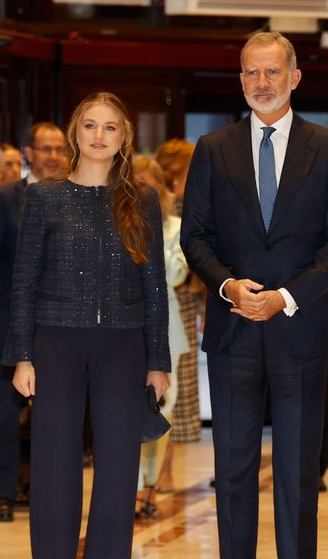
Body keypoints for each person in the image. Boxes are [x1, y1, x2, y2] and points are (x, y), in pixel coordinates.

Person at [180, 31, 328, 559]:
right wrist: (230, 289)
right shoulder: (213, 147)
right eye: (251, 72)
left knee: (298, 474)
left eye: (272, 71)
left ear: (294, 77)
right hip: (233, 335)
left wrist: (284, 297)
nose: (262, 82)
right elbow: (194, 237)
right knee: (231, 471)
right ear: (241, 80)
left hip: (299, 331)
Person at [6, 92, 170, 559]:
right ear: (77, 132)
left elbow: (154, 288)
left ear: (125, 138)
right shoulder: (45, 197)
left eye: (111, 128)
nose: (100, 136)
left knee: (118, 479)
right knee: (54, 476)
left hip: (123, 348)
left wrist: (157, 359)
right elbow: (23, 281)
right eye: (91, 126)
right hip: (55, 344)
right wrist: (22, 354)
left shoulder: (141, 199)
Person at [0, 121, 66, 522]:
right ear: (28, 153)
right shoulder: (2, 200)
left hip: (59, 324)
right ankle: (1, 493)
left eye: (58, 149)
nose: (52, 156)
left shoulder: (75, 195)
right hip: (8, 323)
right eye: (45, 148)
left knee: (55, 414)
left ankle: (41, 491)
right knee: (4, 414)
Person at [131, 155, 189, 514]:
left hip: (169, 331)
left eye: (147, 183)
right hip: (124, 330)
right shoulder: (114, 223)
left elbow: (176, 274)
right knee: (124, 409)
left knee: (160, 408)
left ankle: (151, 486)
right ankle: (133, 488)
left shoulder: (174, 228)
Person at [156, 138, 204, 444]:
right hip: (178, 300)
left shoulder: (180, 206)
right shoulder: (174, 209)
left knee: (172, 383)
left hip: (182, 297)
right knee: (174, 382)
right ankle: (163, 468)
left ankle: (161, 469)